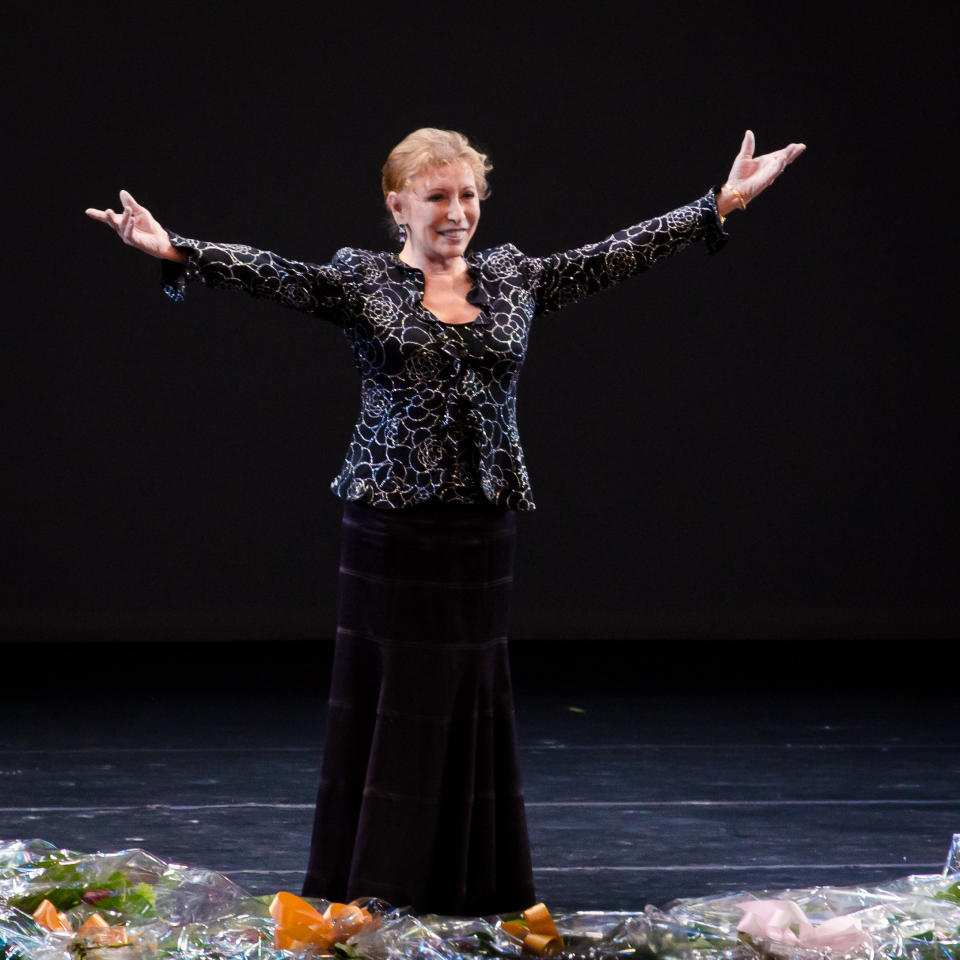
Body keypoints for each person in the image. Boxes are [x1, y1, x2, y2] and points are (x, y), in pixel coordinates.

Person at [86, 127, 805, 916]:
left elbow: (611, 255)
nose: (457, 212)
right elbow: (275, 274)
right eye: (438, 197)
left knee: (465, 698)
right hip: (391, 528)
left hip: (481, 528)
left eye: (467, 196)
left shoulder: (512, 278)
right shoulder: (363, 282)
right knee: (393, 701)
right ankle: (376, 885)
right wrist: (175, 247)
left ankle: (470, 881)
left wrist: (720, 204)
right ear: (398, 205)